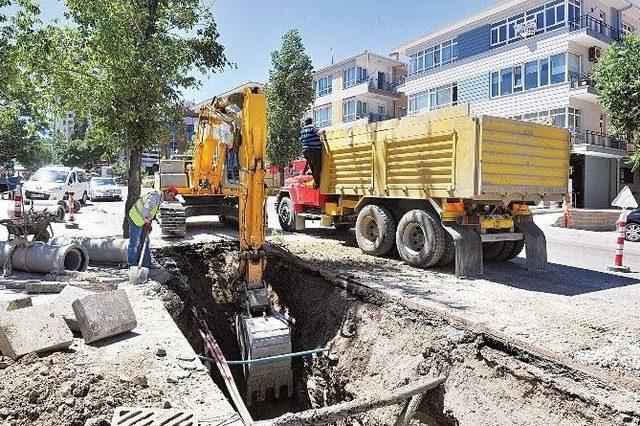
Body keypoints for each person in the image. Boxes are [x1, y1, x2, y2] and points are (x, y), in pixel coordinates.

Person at [128, 186, 178, 268]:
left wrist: (149, 221)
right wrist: (147, 221)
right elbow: (146, 209)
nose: (171, 198)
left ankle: (147, 264)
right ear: (166, 192)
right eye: (171, 196)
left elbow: (152, 212)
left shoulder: (159, 199)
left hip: (144, 220)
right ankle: (132, 265)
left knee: (145, 242)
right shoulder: (155, 197)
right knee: (134, 243)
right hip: (136, 218)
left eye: (173, 197)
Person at [300, 117, 324, 189]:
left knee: (312, 168)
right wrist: (323, 132)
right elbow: (318, 132)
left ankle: (315, 182)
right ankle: (317, 184)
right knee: (317, 167)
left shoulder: (302, 130)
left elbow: (301, 140)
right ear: (311, 121)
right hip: (314, 150)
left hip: (305, 151)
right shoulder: (312, 127)